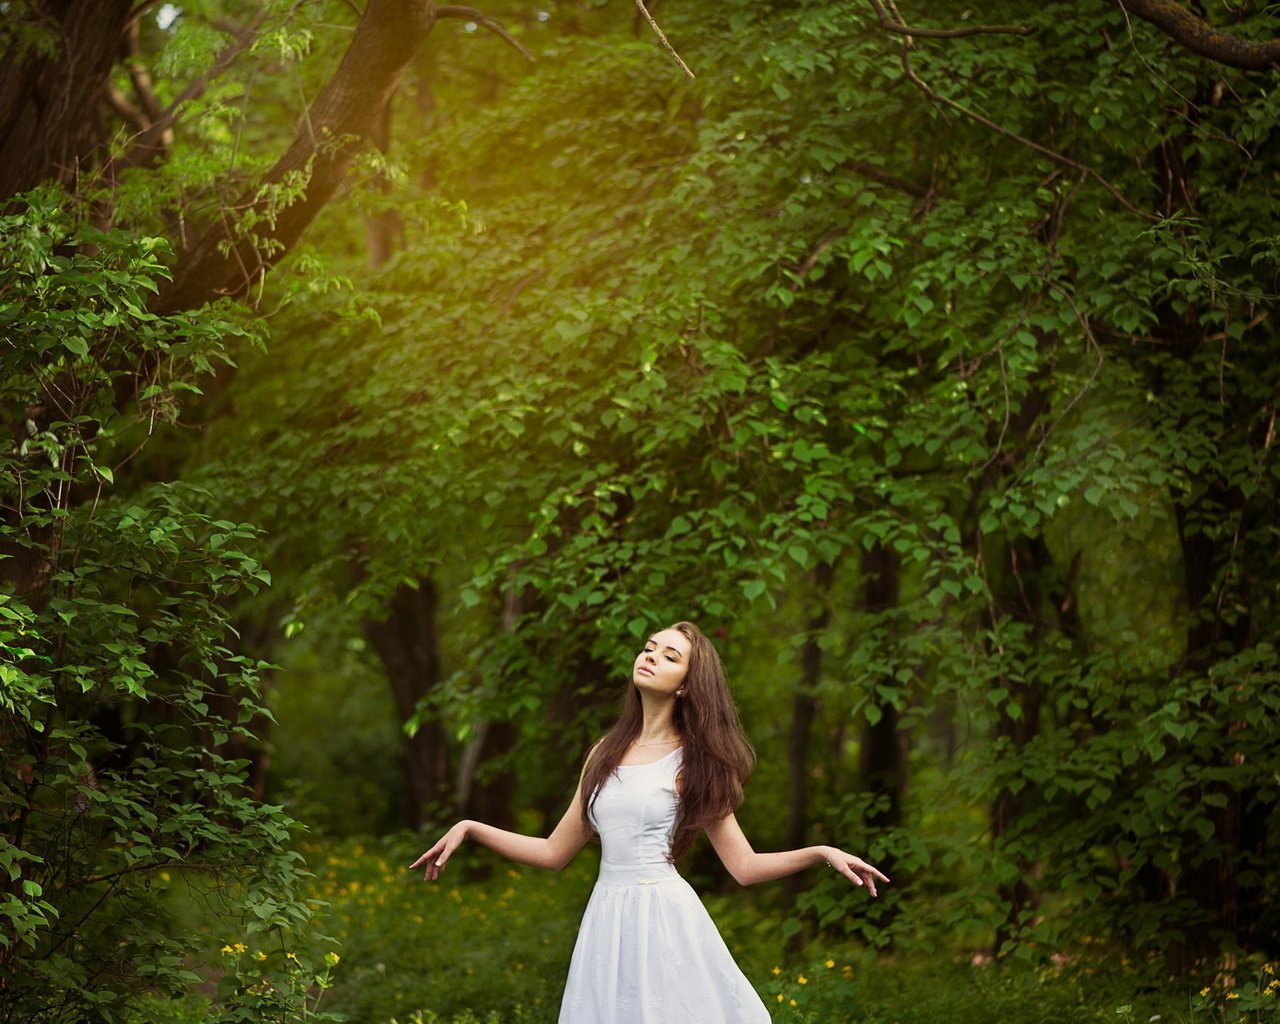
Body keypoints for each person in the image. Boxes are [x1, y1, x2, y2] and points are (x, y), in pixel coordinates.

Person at [411, 620, 890, 1023]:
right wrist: (470, 827)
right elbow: (554, 853)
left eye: (669, 655)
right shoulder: (604, 752)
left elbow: (744, 866)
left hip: (662, 918)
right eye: (648, 648)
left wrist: (821, 852)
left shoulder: (695, 762)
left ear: (685, 684)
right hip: (606, 919)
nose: (651, 656)